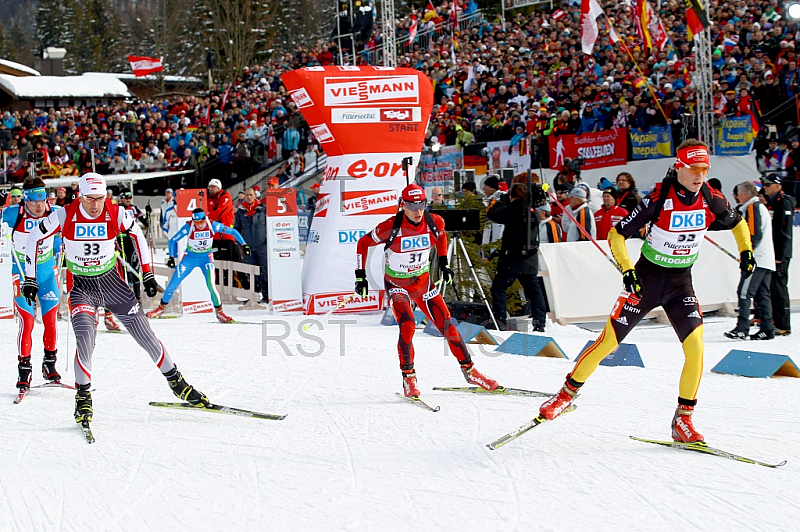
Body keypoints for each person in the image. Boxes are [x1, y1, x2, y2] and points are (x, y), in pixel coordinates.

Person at [538, 140, 755, 443]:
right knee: (607, 342)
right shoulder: (658, 199)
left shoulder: (712, 198)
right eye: (694, 168)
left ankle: (684, 421)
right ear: (679, 167)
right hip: (646, 280)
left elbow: (739, 223)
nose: (699, 175)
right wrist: (627, 269)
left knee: (696, 349)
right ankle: (565, 394)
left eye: (704, 169)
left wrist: (746, 251)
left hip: (681, 284)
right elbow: (617, 234)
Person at [22, 173, 210, 428]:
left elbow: (139, 237)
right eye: (90, 199)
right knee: (86, 340)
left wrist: (148, 274)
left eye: (100, 198)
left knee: (146, 336)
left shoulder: (115, 212)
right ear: (80, 195)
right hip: (82, 287)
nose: (96, 204)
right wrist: (30, 279)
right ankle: (83, 396)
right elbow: (34, 238)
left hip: (113, 284)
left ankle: (177, 383)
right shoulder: (64, 214)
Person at [355, 184, 499, 398]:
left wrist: (444, 263)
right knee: (408, 324)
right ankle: (409, 379)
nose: (418, 210)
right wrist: (360, 276)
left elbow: (441, 237)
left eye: (421, 204)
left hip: (423, 284)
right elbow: (363, 243)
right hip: (398, 285)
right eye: (412, 205)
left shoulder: (435, 222)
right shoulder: (390, 226)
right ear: (403, 205)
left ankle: (471, 372)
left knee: (447, 325)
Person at [3, 177, 61, 392]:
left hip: (46, 274)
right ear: (25, 200)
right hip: (20, 272)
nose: (39, 206)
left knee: (51, 321)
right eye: (35, 201)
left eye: (43, 199)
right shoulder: (13, 214)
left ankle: (49, 366)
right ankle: (24, 370)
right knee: (27, 322)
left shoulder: (54, 211)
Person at [147, 208, 248, 323]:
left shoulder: (212, 225)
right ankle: (161, 308)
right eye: (196, 222)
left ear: (205, 219)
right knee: (173, 284)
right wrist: (171, 257)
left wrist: (244, 244)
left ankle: (220, 313)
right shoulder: (189, 227)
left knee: (211, 286)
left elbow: (232, 232)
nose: (199, 225)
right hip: (190, 258)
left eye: (201, 222)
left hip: (206, 259)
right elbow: (173, 240)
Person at [487, 179, 549, 331]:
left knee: (499, 288)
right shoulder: (532, 211)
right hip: (530, 258)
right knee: (534, 291)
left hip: (512, 258)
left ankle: (500, 321)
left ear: (512, 196)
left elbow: (493, 214)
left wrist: (500, 203)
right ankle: (539, 323)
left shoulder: (512, 209)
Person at [725, 181, 775, 340]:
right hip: (765, 259)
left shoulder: (753, 207)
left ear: (745, 194)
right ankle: (767, 328)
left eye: (739, 194)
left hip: (757, 259)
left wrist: (747, 253)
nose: (737, 197)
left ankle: (742, 328)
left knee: (744, 293)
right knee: (762, 294)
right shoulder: (757, 206)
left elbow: (754, 234)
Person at [762, 173, 795, 336]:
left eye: (768, 185)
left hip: (780, 254)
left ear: (778, 185)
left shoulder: (784, 203)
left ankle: (783, 324)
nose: (765, 187)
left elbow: (785, 232)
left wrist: (780, 256)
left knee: (780, 288)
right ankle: (776, 319)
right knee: (773, 287)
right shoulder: (772, 202)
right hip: (773, 251)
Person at [234, 188, 269, 303]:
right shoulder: (240, 211)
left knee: (264, 270)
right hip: (247, 246)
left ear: (255, 196)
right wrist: (240, 244)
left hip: (261, 244)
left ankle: (266, 295)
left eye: (251, 195)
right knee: (250, 271)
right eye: (247, 195)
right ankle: (252, 296)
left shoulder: (263, 209)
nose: (249, 197)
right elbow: (236, 228)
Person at [117, 189, 147, 304]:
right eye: (126, 198)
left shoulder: (133, 208)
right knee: (122, 270)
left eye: (130, 198)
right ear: (121, 198)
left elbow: (145, 222)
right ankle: (124, 297)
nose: (129, 200)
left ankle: (137, 298)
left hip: (132, 241)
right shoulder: (117, 209)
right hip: (120, 241)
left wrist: (147, 214)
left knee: (134, 268)